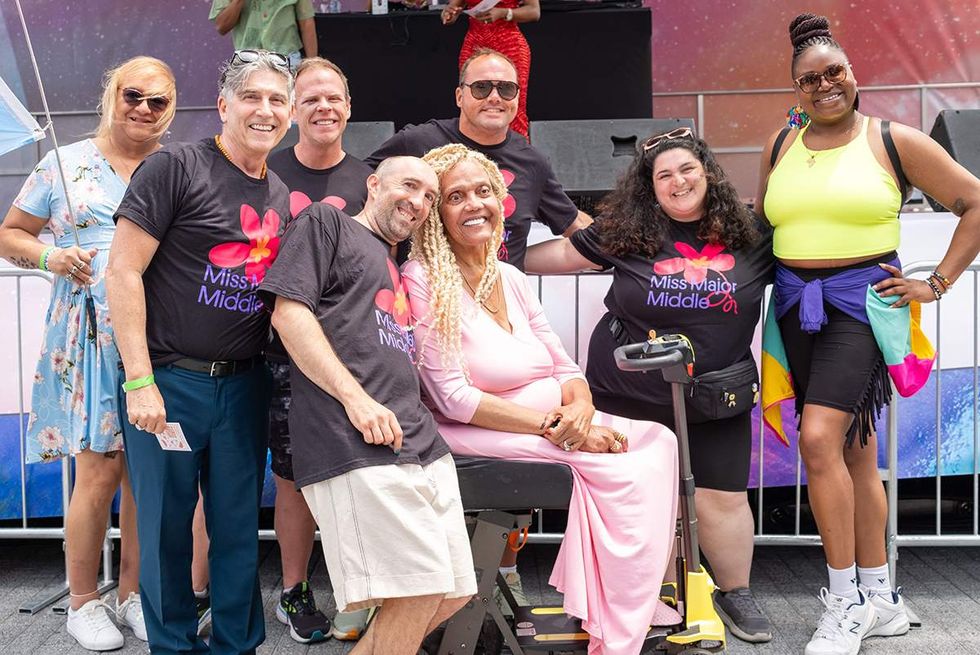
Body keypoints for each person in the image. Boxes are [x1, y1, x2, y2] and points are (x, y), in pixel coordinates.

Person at [757, 13, 980, 655]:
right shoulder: (781, 144)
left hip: (862, 306)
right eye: (810, 78)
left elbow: (973, 202)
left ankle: (845, 600)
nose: (825, 85)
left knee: (820, 438)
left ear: (854, 76)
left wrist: (934, 283)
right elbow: (764, 224)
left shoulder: (893, 140)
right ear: (794, 87)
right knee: (855, 449)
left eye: (836, 72)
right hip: (798, 309)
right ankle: (881, 597)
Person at [401, 143, 682, 655]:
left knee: (659, 440)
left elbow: (566, 367)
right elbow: (453, 398)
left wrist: (578, 410)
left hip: (552, 419)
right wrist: (560, 428)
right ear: (435, 214)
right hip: (471, 431)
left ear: (500, 201)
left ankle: (622, 597)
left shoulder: (509, 276)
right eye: (455, 196)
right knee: (620, 468)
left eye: (484, 192)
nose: (474, 204)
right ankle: (615, 618)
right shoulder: (422, 281)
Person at [525, 129, 776, 644]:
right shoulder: (626, 230)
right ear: (651, 187)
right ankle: (636, 599)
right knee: (635, 496)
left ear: (708, 173)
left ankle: (736, 593)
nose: (678, 181)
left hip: (714, 392)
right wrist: (485, 260)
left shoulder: (753, 232)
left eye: (687, 169)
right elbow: (552, 257)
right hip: (629, 393)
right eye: (664, 175)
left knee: (721, 497)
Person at [105, 50, 292, 653]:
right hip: (170, 383)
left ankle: (238, 644)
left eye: (276, 101)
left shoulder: (281, 192)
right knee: (164, 533)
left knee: (238, 529)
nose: (265, 111)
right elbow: (122, 272)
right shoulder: (172, 170)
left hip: (243, 385)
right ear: (223, 106)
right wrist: (140, 381)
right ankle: (174, 645)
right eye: (252, 98)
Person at [257, 156, 476, 655]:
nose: (419, 202)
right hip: (353, 439)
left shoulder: (391, 260)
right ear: (373, 184)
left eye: (429, 196)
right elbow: (289, 314)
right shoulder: (325, 221)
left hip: (418, 441)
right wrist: (357, 401)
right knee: (419, 588)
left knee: (455, 590)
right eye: (409, 186)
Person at [0, 56, 176, 651]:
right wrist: (51, 257)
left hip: (161, 333)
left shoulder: (174, 165)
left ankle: (132, 596)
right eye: (134, 95)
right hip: (89, 330)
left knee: (147, 474)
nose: (144, 109)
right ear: (112, 94)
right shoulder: (63, 164)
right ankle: (82, 601)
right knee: (97, 471)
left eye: (159, 101)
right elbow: (10, 231)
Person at [265, 55, 373, 643]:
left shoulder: (370, 179)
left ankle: (360, 591)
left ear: (349, 107)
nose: (323, 107)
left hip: (355, 352)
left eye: (333, 98)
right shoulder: (268, 174)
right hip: (281, 351)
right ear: (291, 111)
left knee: (358, 473)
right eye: (309, 99)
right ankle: (293, 590)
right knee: (292, 477)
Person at [366, 48, 591, 273]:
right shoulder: (416, 143)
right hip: (426, 296)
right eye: (481, 88)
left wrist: (621, 240)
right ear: (459, 96)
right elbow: (359, 187)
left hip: (497, 299)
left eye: (506, 89)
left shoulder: (532, 163)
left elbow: (575, 226)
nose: (494, 97)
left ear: (517, 97)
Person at [439, 0, 539, 139]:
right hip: (474, 42)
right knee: (471, 99)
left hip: (509, 43)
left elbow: (534, 12)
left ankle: (515, 154)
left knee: (511, 99)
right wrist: (449, 13)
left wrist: (504, 13)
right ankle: (473, 152)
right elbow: (454, 7)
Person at [210, 0, 318, 70]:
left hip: (287, 60)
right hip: (247, 61)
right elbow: (221, 27)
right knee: (251, 103)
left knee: (288, 103)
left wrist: (312, 66)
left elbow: (306, 23)